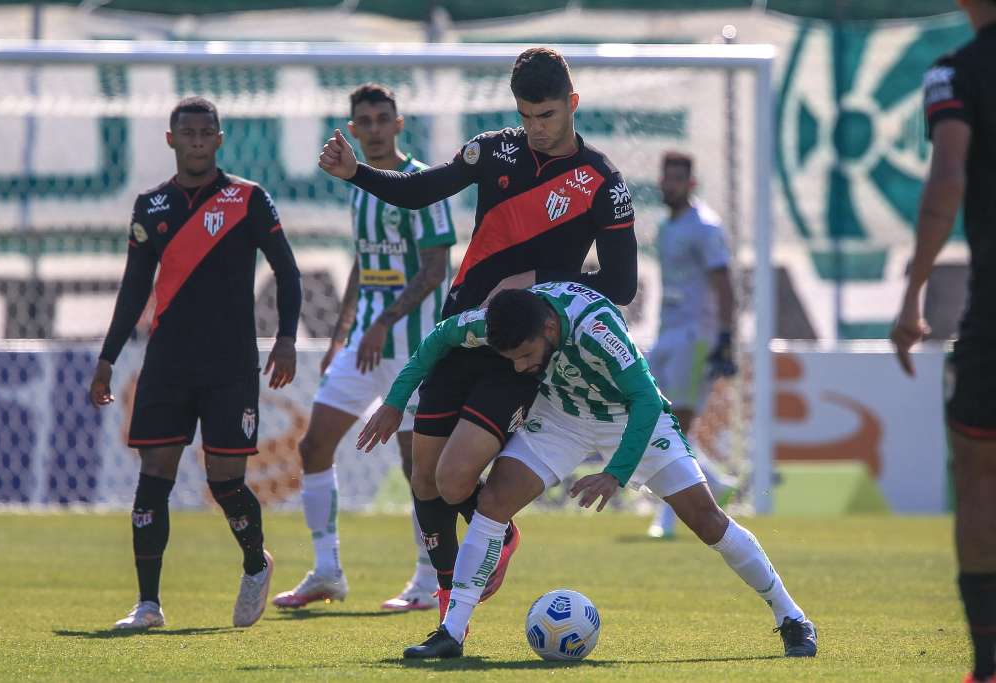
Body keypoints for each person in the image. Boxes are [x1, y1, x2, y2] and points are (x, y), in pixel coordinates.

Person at [318, 47, 638, 625]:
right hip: (462, 329)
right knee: (423, 475)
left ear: (573, 104)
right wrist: (356, 173)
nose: (535, 129)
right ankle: (447, 601)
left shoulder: (603, 182)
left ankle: (498, 537)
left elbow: (622, 283)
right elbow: (421, 190)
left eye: (546, 116)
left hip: (521, 348)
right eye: (526, 116)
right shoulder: (494, 150)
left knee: (453, 476)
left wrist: (538, 279)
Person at [358, 283, 817, 659]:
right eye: (512, 359)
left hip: (630, 419)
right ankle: (452, 633)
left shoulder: (597, 325)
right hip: (562, 419)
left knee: (707, 520)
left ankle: (792, 616)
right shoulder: (509, 320)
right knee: (494, 502)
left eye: (524, 355)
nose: (520, 366)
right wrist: (396, 402)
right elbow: (440, 336)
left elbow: (644, 400)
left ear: (549, 326)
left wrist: (615, 474)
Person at [89, 96, 302, 630]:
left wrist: (286, 339)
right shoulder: (151, 206)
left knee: (225, 481)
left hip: (230, 364)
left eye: (208, 132)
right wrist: (107, 358)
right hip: (166, 363)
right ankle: (147, 604)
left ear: (220, 139)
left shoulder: (248, 199)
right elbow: (134, 288)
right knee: (153, 475)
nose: (199, 141)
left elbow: (287, 271)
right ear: (171, 139)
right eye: (189, 133)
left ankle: (256, 564)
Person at [273, 83, 455, 612]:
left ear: (399, 125)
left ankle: (427, 580)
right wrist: (342, 331)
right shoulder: (357, 183)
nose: (374, 129)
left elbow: (436, 268)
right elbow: (365, 259)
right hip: (365, 342)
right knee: (312, 447)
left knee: (414, 465)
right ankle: (327, 571)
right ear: (352, 129)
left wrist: (385, 323)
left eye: (383, 119)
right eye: (365, 121)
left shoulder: (422, 183)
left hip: (413, 345)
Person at [889, 2, 996, 681]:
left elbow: (947, 179)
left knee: (979, 473)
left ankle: (987, 665)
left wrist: (912, 295)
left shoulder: (956, 72)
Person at [646, 151, 738, 539]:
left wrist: (726, 339)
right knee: (653, 417)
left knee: (677, 424)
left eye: (678, 179)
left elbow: (724, 284)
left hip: (695, 336)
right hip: (667, 331)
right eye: (667, 178)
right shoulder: (668, 227)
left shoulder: (704, 226)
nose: (670, 185)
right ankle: (715, 483)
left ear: (691, 183)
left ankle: (668, 516)